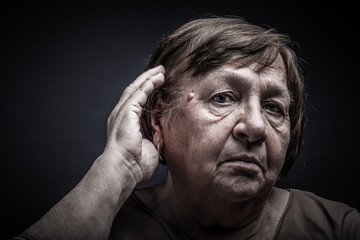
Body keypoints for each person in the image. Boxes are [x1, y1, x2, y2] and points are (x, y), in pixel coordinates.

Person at [11, 16, 360, 240]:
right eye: (223, 98)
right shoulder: (104, 221)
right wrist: (119, 167)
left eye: (273, 108)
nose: (255, 127)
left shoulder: (340, 228)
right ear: (158, 116)